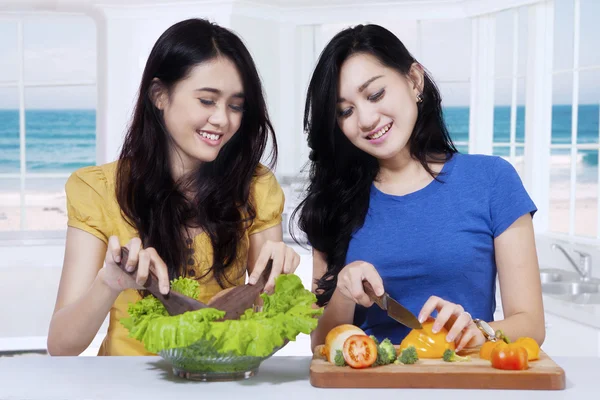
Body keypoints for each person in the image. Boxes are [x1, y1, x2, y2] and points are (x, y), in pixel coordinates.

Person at [47, 18, 299, 356]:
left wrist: (275, 285)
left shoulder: (255, 187)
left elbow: (268, 331)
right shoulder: (98, 190)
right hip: (128, 385)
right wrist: (108, 284)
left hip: (221, 381)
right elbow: (62, 345)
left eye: (236, 105)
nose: (223, 119)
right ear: (159, 95)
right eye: (207, 101)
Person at [293, 24, 545, 352]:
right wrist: (342, 291)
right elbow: (321, 343)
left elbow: (531, 324)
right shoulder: (333, 202)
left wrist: (479, 331)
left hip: (465, 381)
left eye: (375, 94)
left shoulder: (492, 180)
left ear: (414, 80)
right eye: (345, 111)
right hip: (370, 385)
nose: (366, 119)